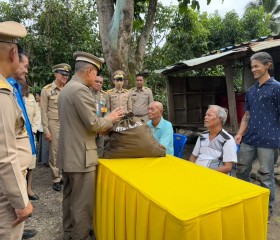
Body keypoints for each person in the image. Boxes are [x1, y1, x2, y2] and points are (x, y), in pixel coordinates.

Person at [57, 51, 124, 240]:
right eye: (95, 73)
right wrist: (110, 118)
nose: (96, 78)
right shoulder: (80, 91)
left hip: (69, 154)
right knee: (83, 202)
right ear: (88, 71)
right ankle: (81, 235)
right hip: (81, 156)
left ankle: (69, 232)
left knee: (69, 197)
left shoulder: (68, 89)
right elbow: (93, 124)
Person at [234, 52, 280, 216]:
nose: (253, 69)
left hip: (268, 141)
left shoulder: (277, 88)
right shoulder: (251, 91)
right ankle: (246, 200)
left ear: (267, 65)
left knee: (266, 176)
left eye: (256, 66)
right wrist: (240, 134)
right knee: (241, 169)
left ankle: (265, 210)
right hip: (250, 138)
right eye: (251, 66)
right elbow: (247, 116)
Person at [0, 20, 33, 240]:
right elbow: (4, 154)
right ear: (13, 54)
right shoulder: (2, 93)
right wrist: (21, 202)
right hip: (5, 194)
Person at [41, 63, 71, 191]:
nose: (65, 77)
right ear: (55, 74)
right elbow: (43, 111)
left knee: (66, 150)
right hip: (54, 123)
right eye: (62, 74)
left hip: (68, 123)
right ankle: (56, 178)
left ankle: (64, 175)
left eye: (67, 74)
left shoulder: (69, 89)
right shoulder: (46, 90)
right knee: (55, 152)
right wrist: (46, 130)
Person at [189, 105, 237, 174]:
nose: (205, 117)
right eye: (206, 115)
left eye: (209, 115)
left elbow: (227, 167)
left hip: (213, 176)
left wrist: (207, 173)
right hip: (197, 172)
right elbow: (193, 157)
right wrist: (192, 170)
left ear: (219, 119)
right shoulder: (202, 136)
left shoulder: (227, 140)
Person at [91, 75, 110, 157]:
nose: (98, 84)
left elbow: (107, 110)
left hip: (101, 128)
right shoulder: (86, 93)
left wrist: (104, 123)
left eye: (100, 82)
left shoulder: (104, 95)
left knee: (100, 150)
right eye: (96, 81)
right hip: (90, 127)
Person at [35, 91, 50, 166]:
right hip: (39, 127)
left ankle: (46, 160)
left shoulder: (45, 104)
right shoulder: (37, 104)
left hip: (44, 126)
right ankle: (43, 159)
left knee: (46, 145)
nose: (36, 97)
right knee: (42, 144)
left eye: (37, 95)